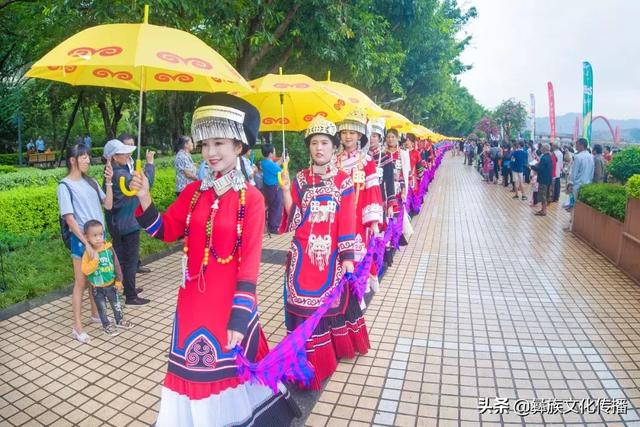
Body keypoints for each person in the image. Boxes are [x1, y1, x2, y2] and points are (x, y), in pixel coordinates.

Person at [130, 93, 299, 426]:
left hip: (227, 307)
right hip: (191, 304)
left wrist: (240, 316)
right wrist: (144, 196)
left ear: (238, 146)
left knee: (225, 380)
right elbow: (164, 229)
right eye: (205, 144)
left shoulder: (250, 199)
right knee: (189, 377)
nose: (210, 152)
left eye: (219, 143)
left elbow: (250, 261)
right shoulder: (194, 193)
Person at [280, 115, 370, 390]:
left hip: (330, 257)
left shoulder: (343, 182)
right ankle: (305, 360)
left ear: (334, 147)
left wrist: (347, 260)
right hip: (302, 256)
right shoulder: (298, 179)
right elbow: (293, 221)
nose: (319, 148)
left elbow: (346, 221)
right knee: (300, 304)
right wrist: (284, 191)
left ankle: (332, 352)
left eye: (324, 143)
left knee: (333, 305)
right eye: (314, 143)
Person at [57, 143, 113, 343]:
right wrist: (86, 243)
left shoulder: (90, 182)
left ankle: (95, 313)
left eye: (88, 157)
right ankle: (77, 326)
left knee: (94, 279)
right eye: (84, 157)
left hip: (98, 238)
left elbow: (108, 204)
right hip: (81, 241)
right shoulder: (65, 186)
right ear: (73, 160)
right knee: (81, 282)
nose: (88, 160)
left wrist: (108, 182)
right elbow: (70, 219)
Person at [335, 109, 383, 302]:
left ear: (360, 135)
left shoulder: (367, 161)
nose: (348, 136)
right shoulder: (333, 160)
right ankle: (338, 292)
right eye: (345, 132)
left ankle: (357, 293)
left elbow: (372, 189)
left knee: (356, 252)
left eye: (352, 133)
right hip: (337, 214)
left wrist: (373, 221)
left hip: (358, 215)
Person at [104, 139, 155, 305]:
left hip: (119, 223)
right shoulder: (120, 175)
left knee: (124, 258)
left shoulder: (115, 172)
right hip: (127, 223)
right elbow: (146, 185)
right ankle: (131, 296)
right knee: (130, 259)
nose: (127, 155)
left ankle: (128, 288)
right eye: (123, 153)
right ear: (113, 157)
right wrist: (150, 165)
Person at [81, 219, 133, 336]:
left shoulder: (109, 248)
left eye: (101, 234)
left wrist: (119, 280)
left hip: (111, 284)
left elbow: (116, 265)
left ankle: (119, 320)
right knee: (102, 308)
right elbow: (85, 270)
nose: (99, 238)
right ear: (87, 237)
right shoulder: (88, 253)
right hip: (97, 288)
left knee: (116, 304)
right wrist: (94, 261)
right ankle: (106, 326)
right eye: (94, 235)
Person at [118, 133, 152, 275]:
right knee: (126, 251)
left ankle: (135, 266)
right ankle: (128, 286)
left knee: (133, 246)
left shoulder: (131, 162)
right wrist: (150, 165)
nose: (131, 148)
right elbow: (146, 184)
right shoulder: (120, 168)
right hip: (124, 216)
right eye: (127, 145)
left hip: (133, 210)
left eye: (132, 145)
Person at [261, 143, 284, 234]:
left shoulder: (264, 162)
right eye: (274, 151)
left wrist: (282, 159)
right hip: (275, 188)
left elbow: (275, 165)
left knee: (271, 207)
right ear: (270, 154)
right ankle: (274, 228)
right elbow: (281, 171)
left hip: (267, 188)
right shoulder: (271, 165)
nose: (275, 152)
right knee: (277, 207)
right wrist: (284, 162)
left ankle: (271, 225)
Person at [568, 138, 595, 202]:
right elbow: (592, 171)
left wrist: (570, 184)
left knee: (575, 205)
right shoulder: (591, 156)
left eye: (577, 145)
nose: (576, 146)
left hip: (578, 185)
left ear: (581, 145)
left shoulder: (578, 157)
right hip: (587, 184)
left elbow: (574, 172)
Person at [531, 143, 552, 216]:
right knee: (546, 195)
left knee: (543, 195)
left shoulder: (544, 158)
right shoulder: (549, 157)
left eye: (542, 148)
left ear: (544, 149)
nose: (541, 149)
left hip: (543, 179)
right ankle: (543, 209)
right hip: (548, 179)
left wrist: (532, 166)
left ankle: (544, 211)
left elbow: (540, 169)